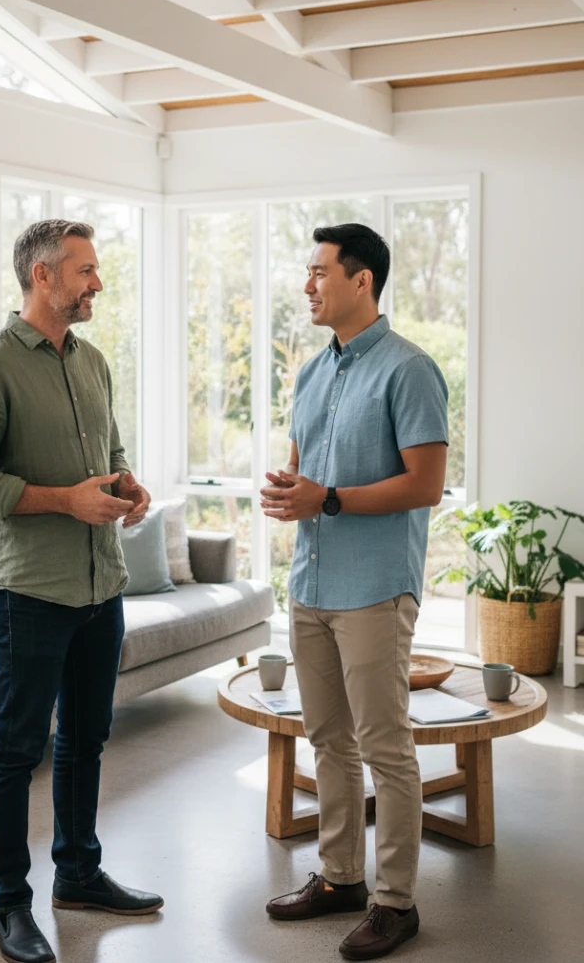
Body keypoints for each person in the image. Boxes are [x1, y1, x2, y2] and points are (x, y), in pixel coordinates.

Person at [0, 219, 163, 963]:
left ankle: (78, 873)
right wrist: (64, 500)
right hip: (33, 590)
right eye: (85, 271)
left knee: (86, 738)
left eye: (95, 270)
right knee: (16, 749)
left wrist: (126, 484)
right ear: (43, 276)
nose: (97, 282)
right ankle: (9, 905)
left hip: (103, 582)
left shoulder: (94, 362)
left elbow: (110, 450)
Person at [261, 224, 448, 961]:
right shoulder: (312, 373)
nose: (307, 285)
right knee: (328, 739)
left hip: (374, 589)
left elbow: (424, 485)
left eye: (318, 272)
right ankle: (339, 877)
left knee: (385, 746)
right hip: (310, 583)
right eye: (306, 273)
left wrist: (327, 499)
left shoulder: (411, 369)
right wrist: (290, 492)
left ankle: (395, 902)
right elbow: (304, 465)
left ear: (362, 280)